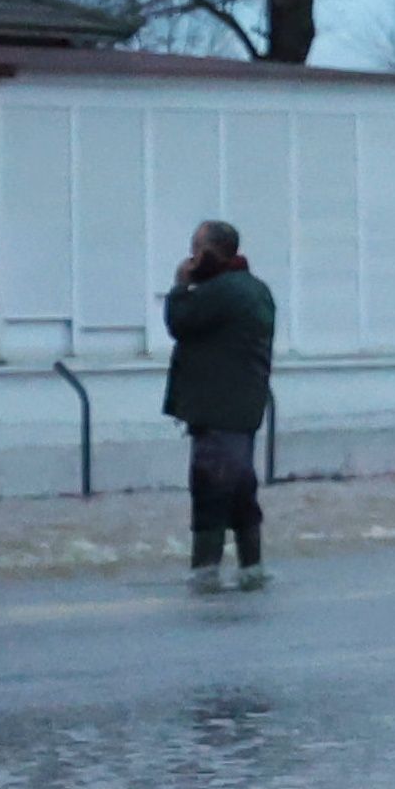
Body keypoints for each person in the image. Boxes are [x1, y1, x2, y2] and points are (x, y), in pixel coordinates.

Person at [161, 218, 275, 589]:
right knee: (241, 493)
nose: (191, 258)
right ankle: (251, 569)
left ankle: (204, 574)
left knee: (210, 491)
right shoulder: (254, 289)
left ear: (211, 252)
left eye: (196, 250)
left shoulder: (222, 292)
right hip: (243, 410)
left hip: (217, 411)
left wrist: (181, 284)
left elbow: (179, 321)